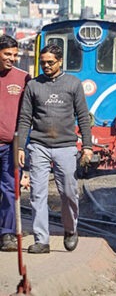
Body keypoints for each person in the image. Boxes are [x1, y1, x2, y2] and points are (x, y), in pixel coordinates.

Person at [16, 44, 93, 254]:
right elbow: (25, 119)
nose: (46, 66)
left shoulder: (73, 84)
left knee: (68, 193)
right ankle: (42, 240)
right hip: (38, 146)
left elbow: (83, 117)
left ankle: (70, 229)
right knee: (37, 194)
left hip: (66, 147)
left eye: (50, 62)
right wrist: (21, 147)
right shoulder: (33, 86)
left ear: (60, 61)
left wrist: (87, 146)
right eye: (43, 63)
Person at [0, 36, 31, 252]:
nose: (12, 58)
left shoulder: (23, 79)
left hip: (10, 146)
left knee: (10, 189)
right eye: (7, 54)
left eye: (14, 55)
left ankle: (7, 234)